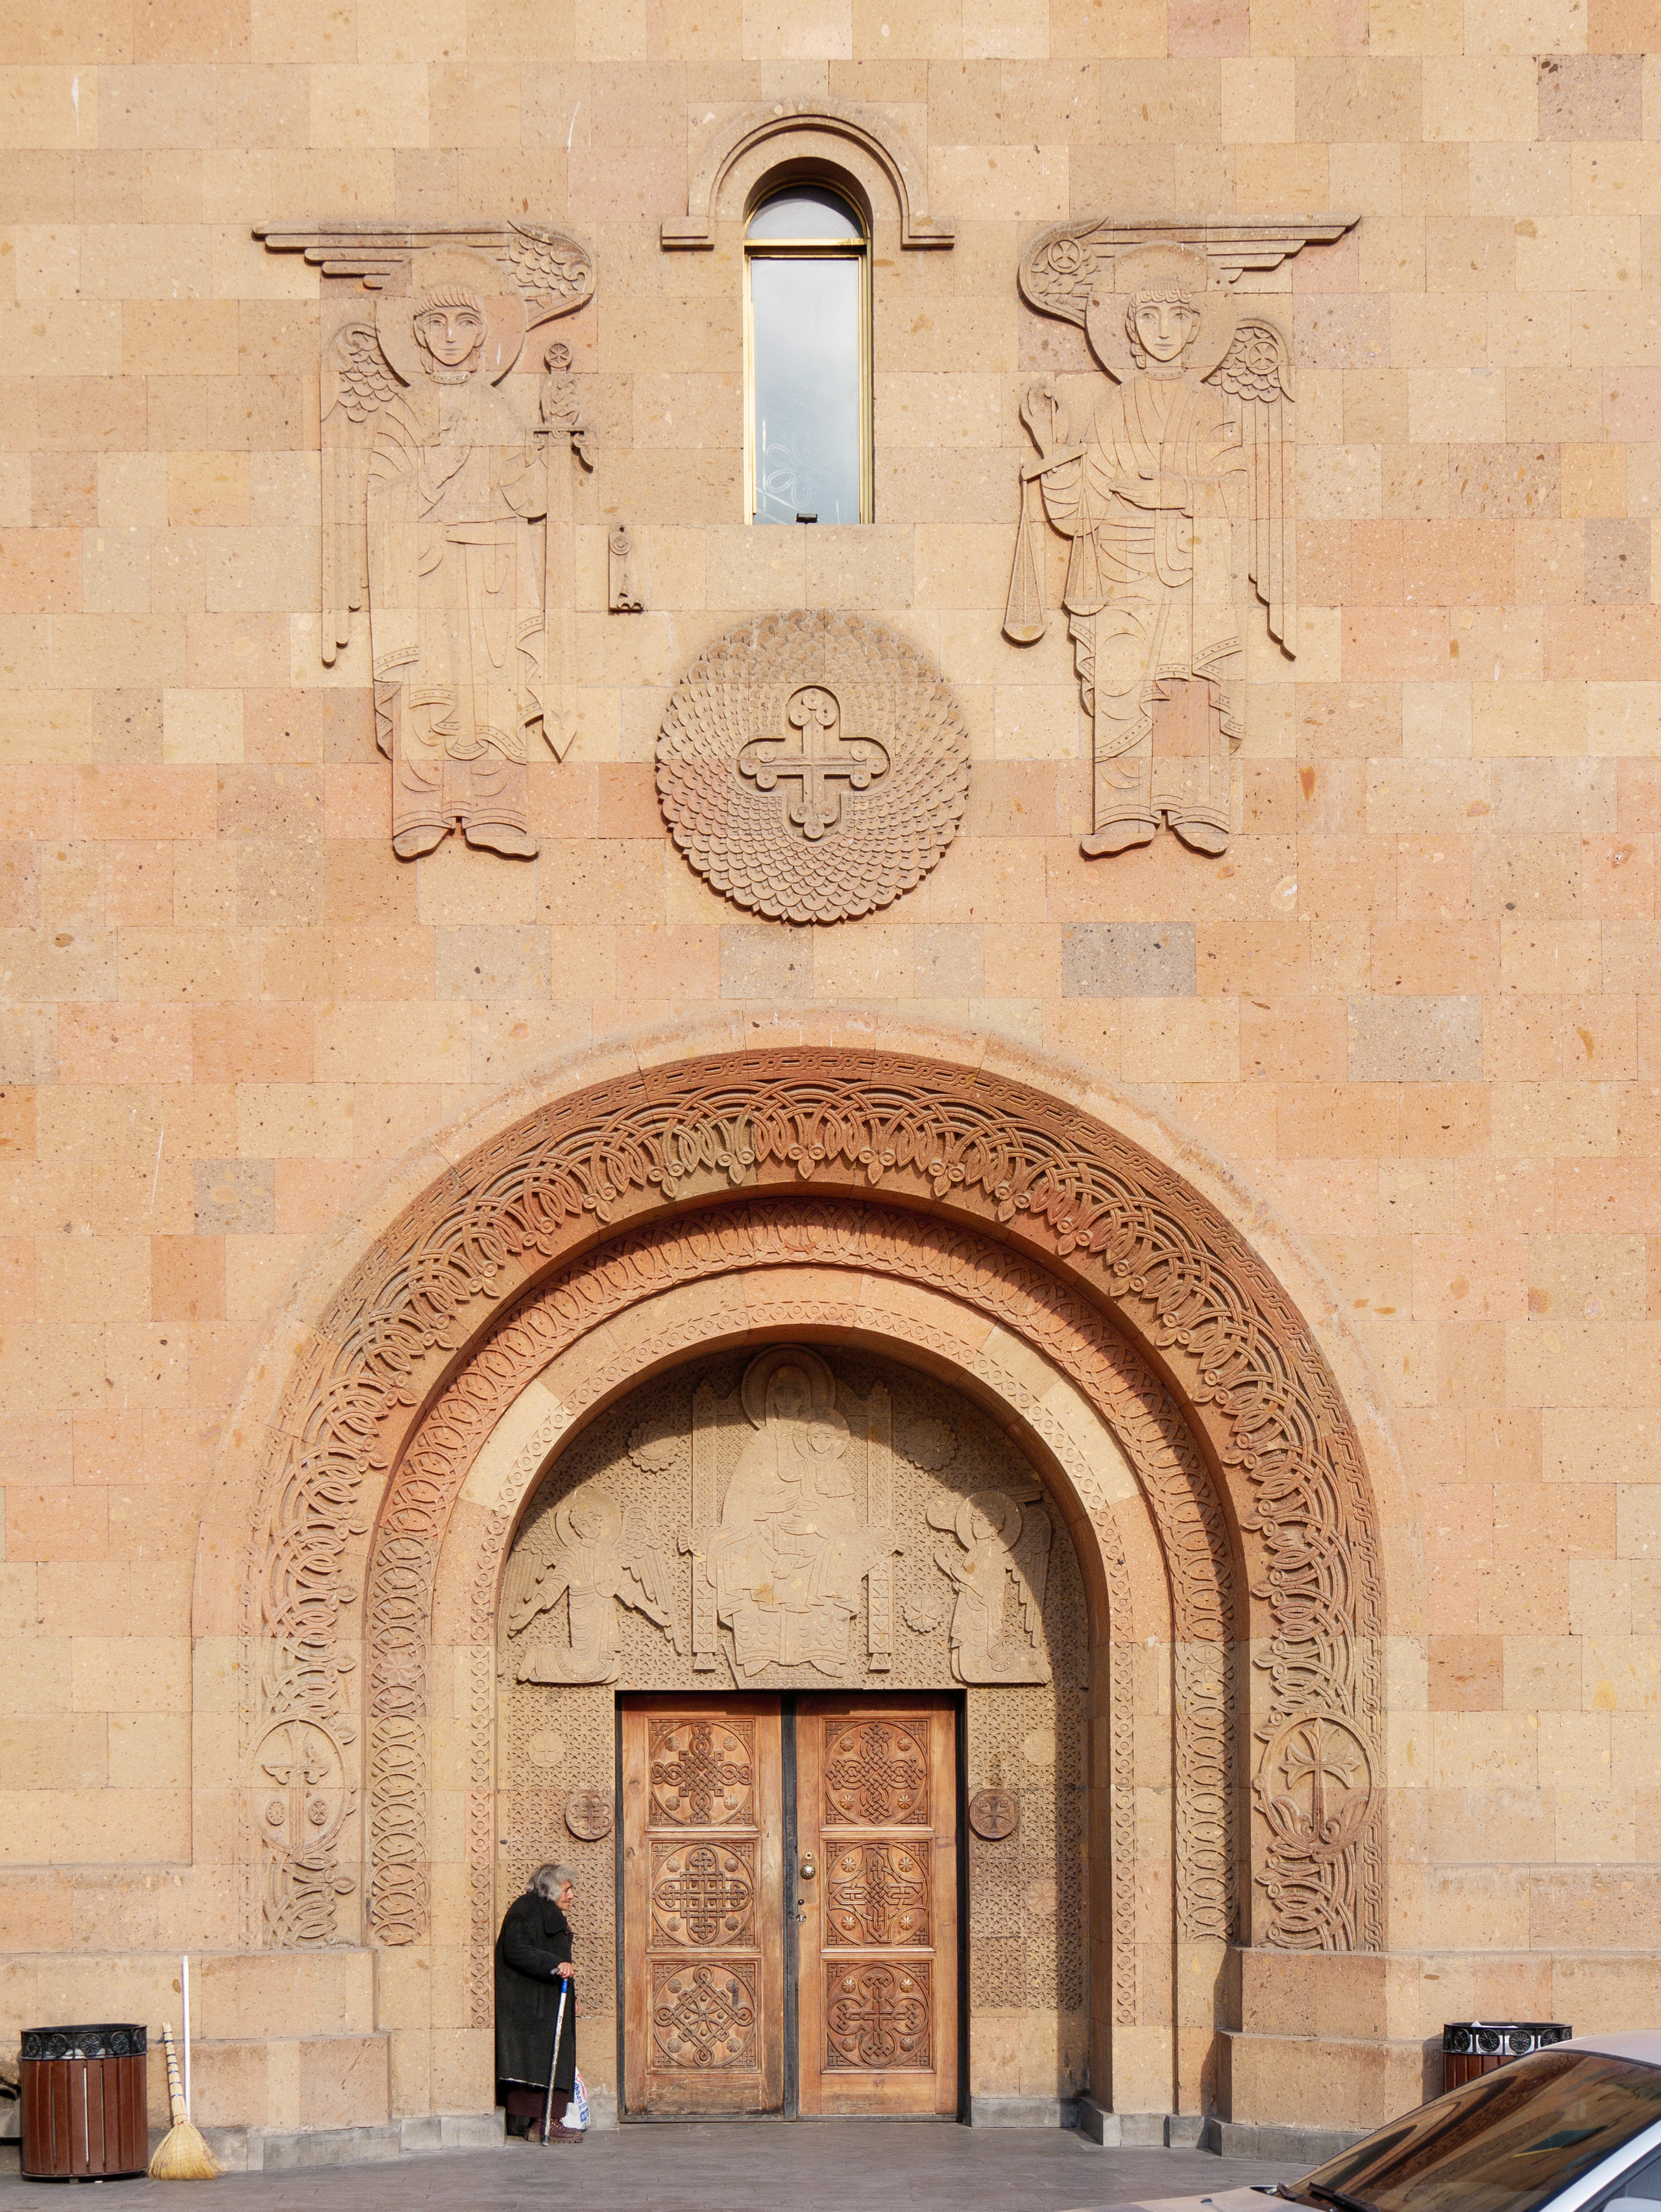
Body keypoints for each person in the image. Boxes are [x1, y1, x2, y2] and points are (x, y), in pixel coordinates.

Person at [494, 1862, 581, 2143]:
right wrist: (554, 1963)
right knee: (539, 2058)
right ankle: (542, 2122)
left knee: (555, 2053)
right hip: (531, 2004)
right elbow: (516, 1949)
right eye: (567, 1890)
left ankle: (549, 2119)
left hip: (549, 2000)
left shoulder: (549, 1913)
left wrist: (572, 2000)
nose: (572, 1896)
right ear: (553, 1889)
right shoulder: (526, 1908)